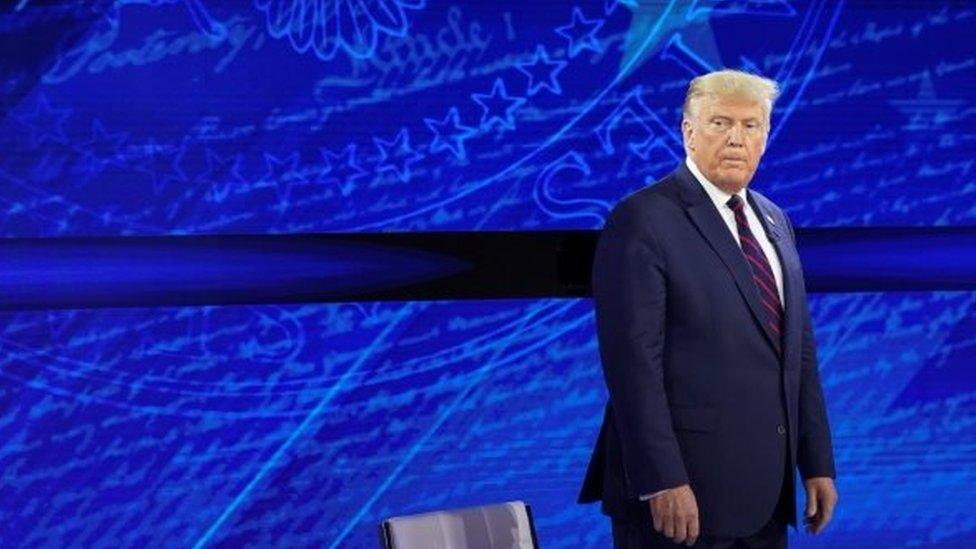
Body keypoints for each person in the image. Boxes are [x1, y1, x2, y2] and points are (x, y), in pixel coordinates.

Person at [578, 69, 838, 548]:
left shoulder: (775, 220)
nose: (736, 139)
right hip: (680, 498)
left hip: (764, 495)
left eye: (750, 126)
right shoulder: (642, 219)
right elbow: (633, 364)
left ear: (765, 138)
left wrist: (816, 461)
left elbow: (797, 349)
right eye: (720, 123)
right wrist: (662, 479)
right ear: (688, 131)